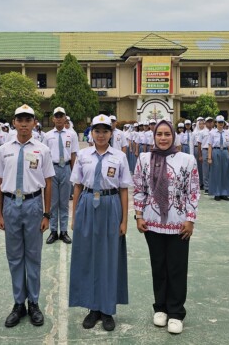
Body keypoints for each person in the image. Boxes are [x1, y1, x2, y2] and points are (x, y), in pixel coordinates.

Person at [133, 119, 199, 335]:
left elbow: (193, 191)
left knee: (177, 268)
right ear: (154, 136)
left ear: (174, 136)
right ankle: (160, 307)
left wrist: (190, 219)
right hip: (152, 222)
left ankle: (176, 312)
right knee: (158, 266)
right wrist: (139, 215)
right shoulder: (144, 159)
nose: (163, 138)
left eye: (167, 134)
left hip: (179, 223)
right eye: (159, 134)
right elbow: (139, 188)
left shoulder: (187, 160)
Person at [69, 114, 133, 332]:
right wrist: (74, 216)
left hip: (110, 204)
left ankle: (107, 309)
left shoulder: (119, 157)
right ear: (91, 133)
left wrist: (124, 220)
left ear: (111, 133)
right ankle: (92, 308)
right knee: (87, 256)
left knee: (109, 258)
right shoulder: (83, 155)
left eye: (105, 131)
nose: (101, 135)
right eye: (97, 131)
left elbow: (124, 189)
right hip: (87, 204)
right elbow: (77, 186)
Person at [0, 104, 54, 328]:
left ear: (34, 123)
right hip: (10, 205)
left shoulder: (42, 150)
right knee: (15, 257)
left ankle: (34, 303)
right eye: (20, 119)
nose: (24, 124)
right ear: (14, 122)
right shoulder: (4, 149)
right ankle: (19, 303)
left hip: (33, 205)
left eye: (28, 119)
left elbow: (48, 183)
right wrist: (0, 213)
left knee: (33, 257)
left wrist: (47, 214)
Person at [43, 107, 79, 245]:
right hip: (52, 169)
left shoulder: (72, 135)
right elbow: (44, 156)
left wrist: (74, 174)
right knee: (53, 203)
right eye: (56, 116)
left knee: (64, 203)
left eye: (61, 116)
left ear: (65, 118)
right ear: (53, 119)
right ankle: (53, 231)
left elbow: (74, 154)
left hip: (66, 169)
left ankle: (63, 231)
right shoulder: (47, 135)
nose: (58, 118)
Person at [207, 115, 229, 201]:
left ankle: (225, 193)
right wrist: (209, 157)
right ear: (216, 123)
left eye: (222, 122)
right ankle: (217, 193)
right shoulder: (212, 133)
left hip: (225, 152)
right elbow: (210, 146)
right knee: (216, 173)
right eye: (219, 122)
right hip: (216, 152)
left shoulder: (227, 133)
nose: (220, 124)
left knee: (226, 173)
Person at [197, 117, 213, 194]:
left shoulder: (215, 131)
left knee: (213, 169)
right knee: (205, 170)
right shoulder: (202, 132)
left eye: (211, 122)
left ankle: (213, 186)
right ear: (205, 123)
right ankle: (206, 187)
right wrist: (200, 155)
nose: (210, 123)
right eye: (208, 122)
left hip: (214, 150)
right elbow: (199, 144)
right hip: (205, 150)